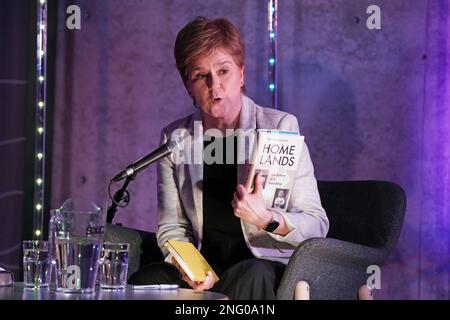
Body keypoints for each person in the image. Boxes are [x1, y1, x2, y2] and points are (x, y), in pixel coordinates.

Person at [128, 16, 329, 300]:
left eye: (224, 71)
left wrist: (266, 218)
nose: (215, 85)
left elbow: (316, 223)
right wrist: (188, 267)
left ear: (242, 74)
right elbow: (173, 226)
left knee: (250, 276)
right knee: (145, 279)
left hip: (262, 263)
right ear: (188, 85)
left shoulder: (280, 127)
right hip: (204, 268)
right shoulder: (175, 139)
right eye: (200, 76)